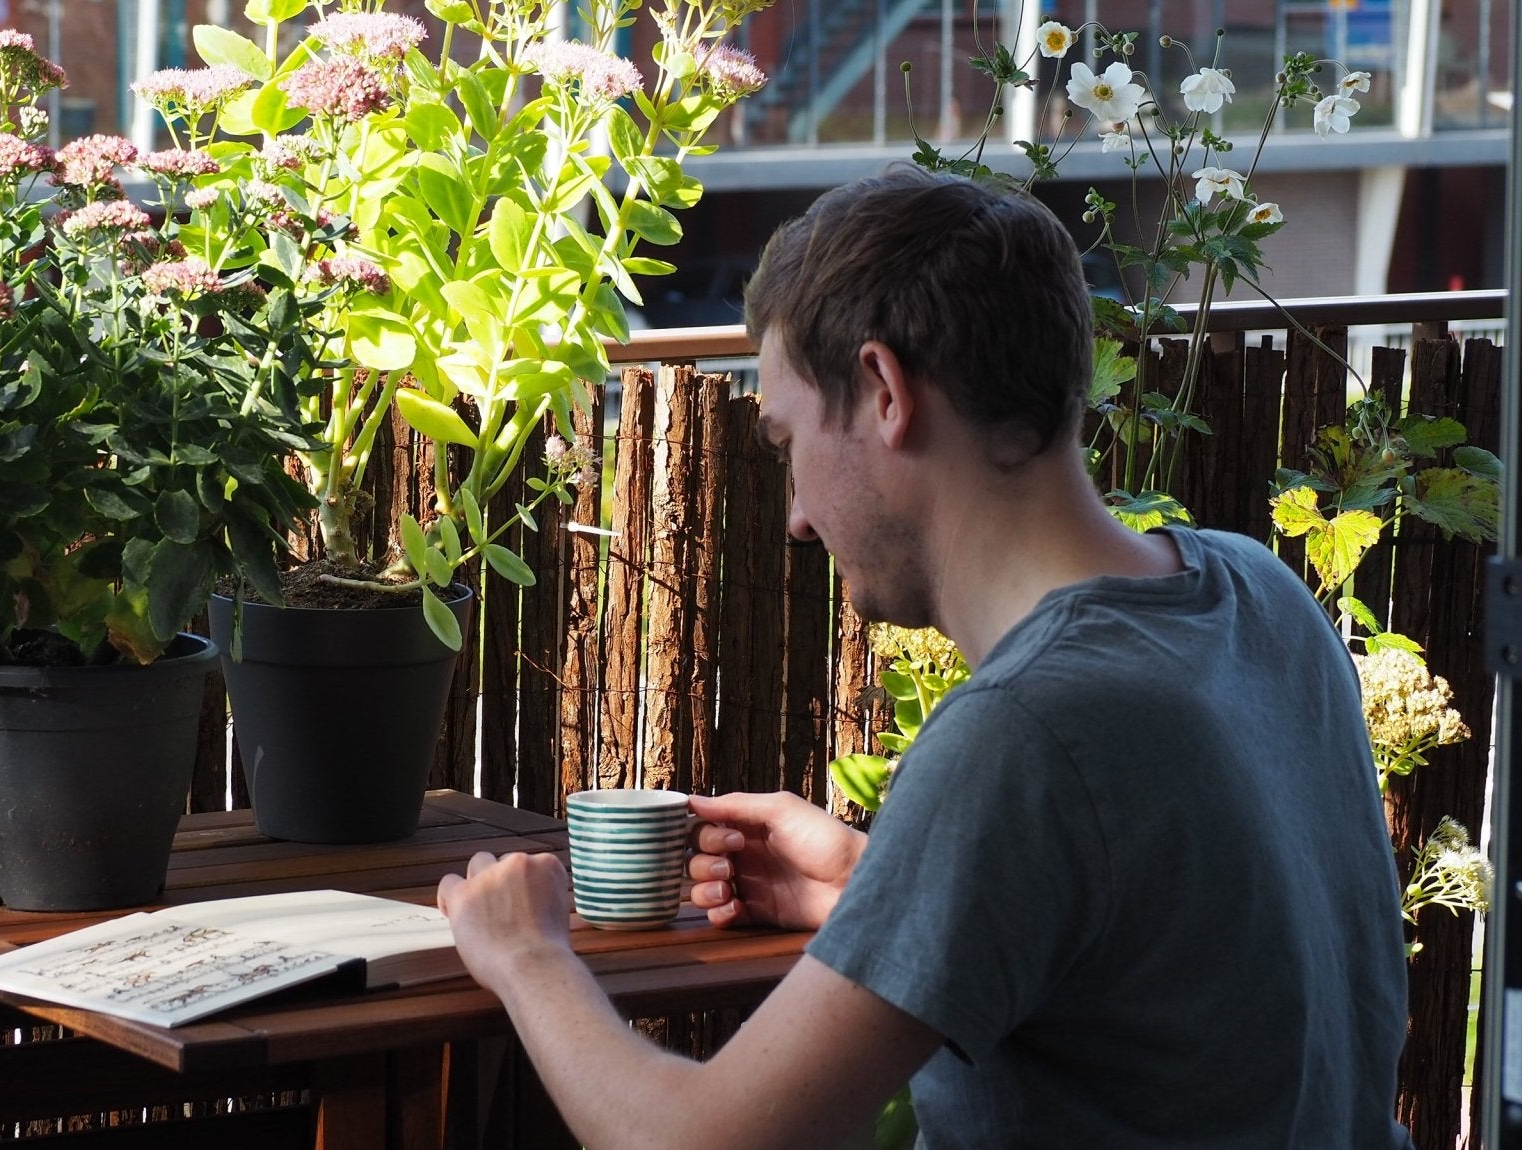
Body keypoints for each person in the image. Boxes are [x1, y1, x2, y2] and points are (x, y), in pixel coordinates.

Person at [436, 166, 1412, 1148]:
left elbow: (694, 1141)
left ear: (883, 392)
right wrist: (881, 890)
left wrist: (528, 957)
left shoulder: (1024, 733)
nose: (797, 515)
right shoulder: (1255, 595)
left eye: (785, 440)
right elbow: (1183, 974)